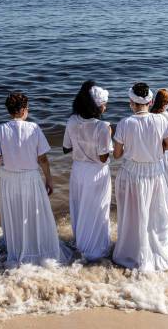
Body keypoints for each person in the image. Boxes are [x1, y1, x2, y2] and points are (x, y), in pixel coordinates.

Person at [0, 92, 71, 267]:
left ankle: (17, 248)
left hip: (8, 179)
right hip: (30, 178)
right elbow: (42, 159)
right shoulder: (34, 128)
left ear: (9, 111)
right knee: (35, 214)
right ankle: (38, 248)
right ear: (25, 110)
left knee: (15, 213)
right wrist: (49, 179)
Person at [112, 82, 168, 271]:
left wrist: (132, 148)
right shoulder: (162, 121)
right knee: (156, 215)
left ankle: (133, 252)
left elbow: (117, 155)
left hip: (132, 174)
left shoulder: (125, 123)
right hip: (155, 173)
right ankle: (156, 251)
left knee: (132, 216)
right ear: (150, 102)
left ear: (131, 103)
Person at [62, 80, 113, 261]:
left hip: (78, 170)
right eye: (104, 104)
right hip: (96, 173)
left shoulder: (72, 120)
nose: (106, 106)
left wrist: (81, 143)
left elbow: (66, 147)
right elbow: (103, 158)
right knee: (98, 209)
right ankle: (97, 250)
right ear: (97, 106)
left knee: (80, 207)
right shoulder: (103, 127)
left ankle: (81, 244)